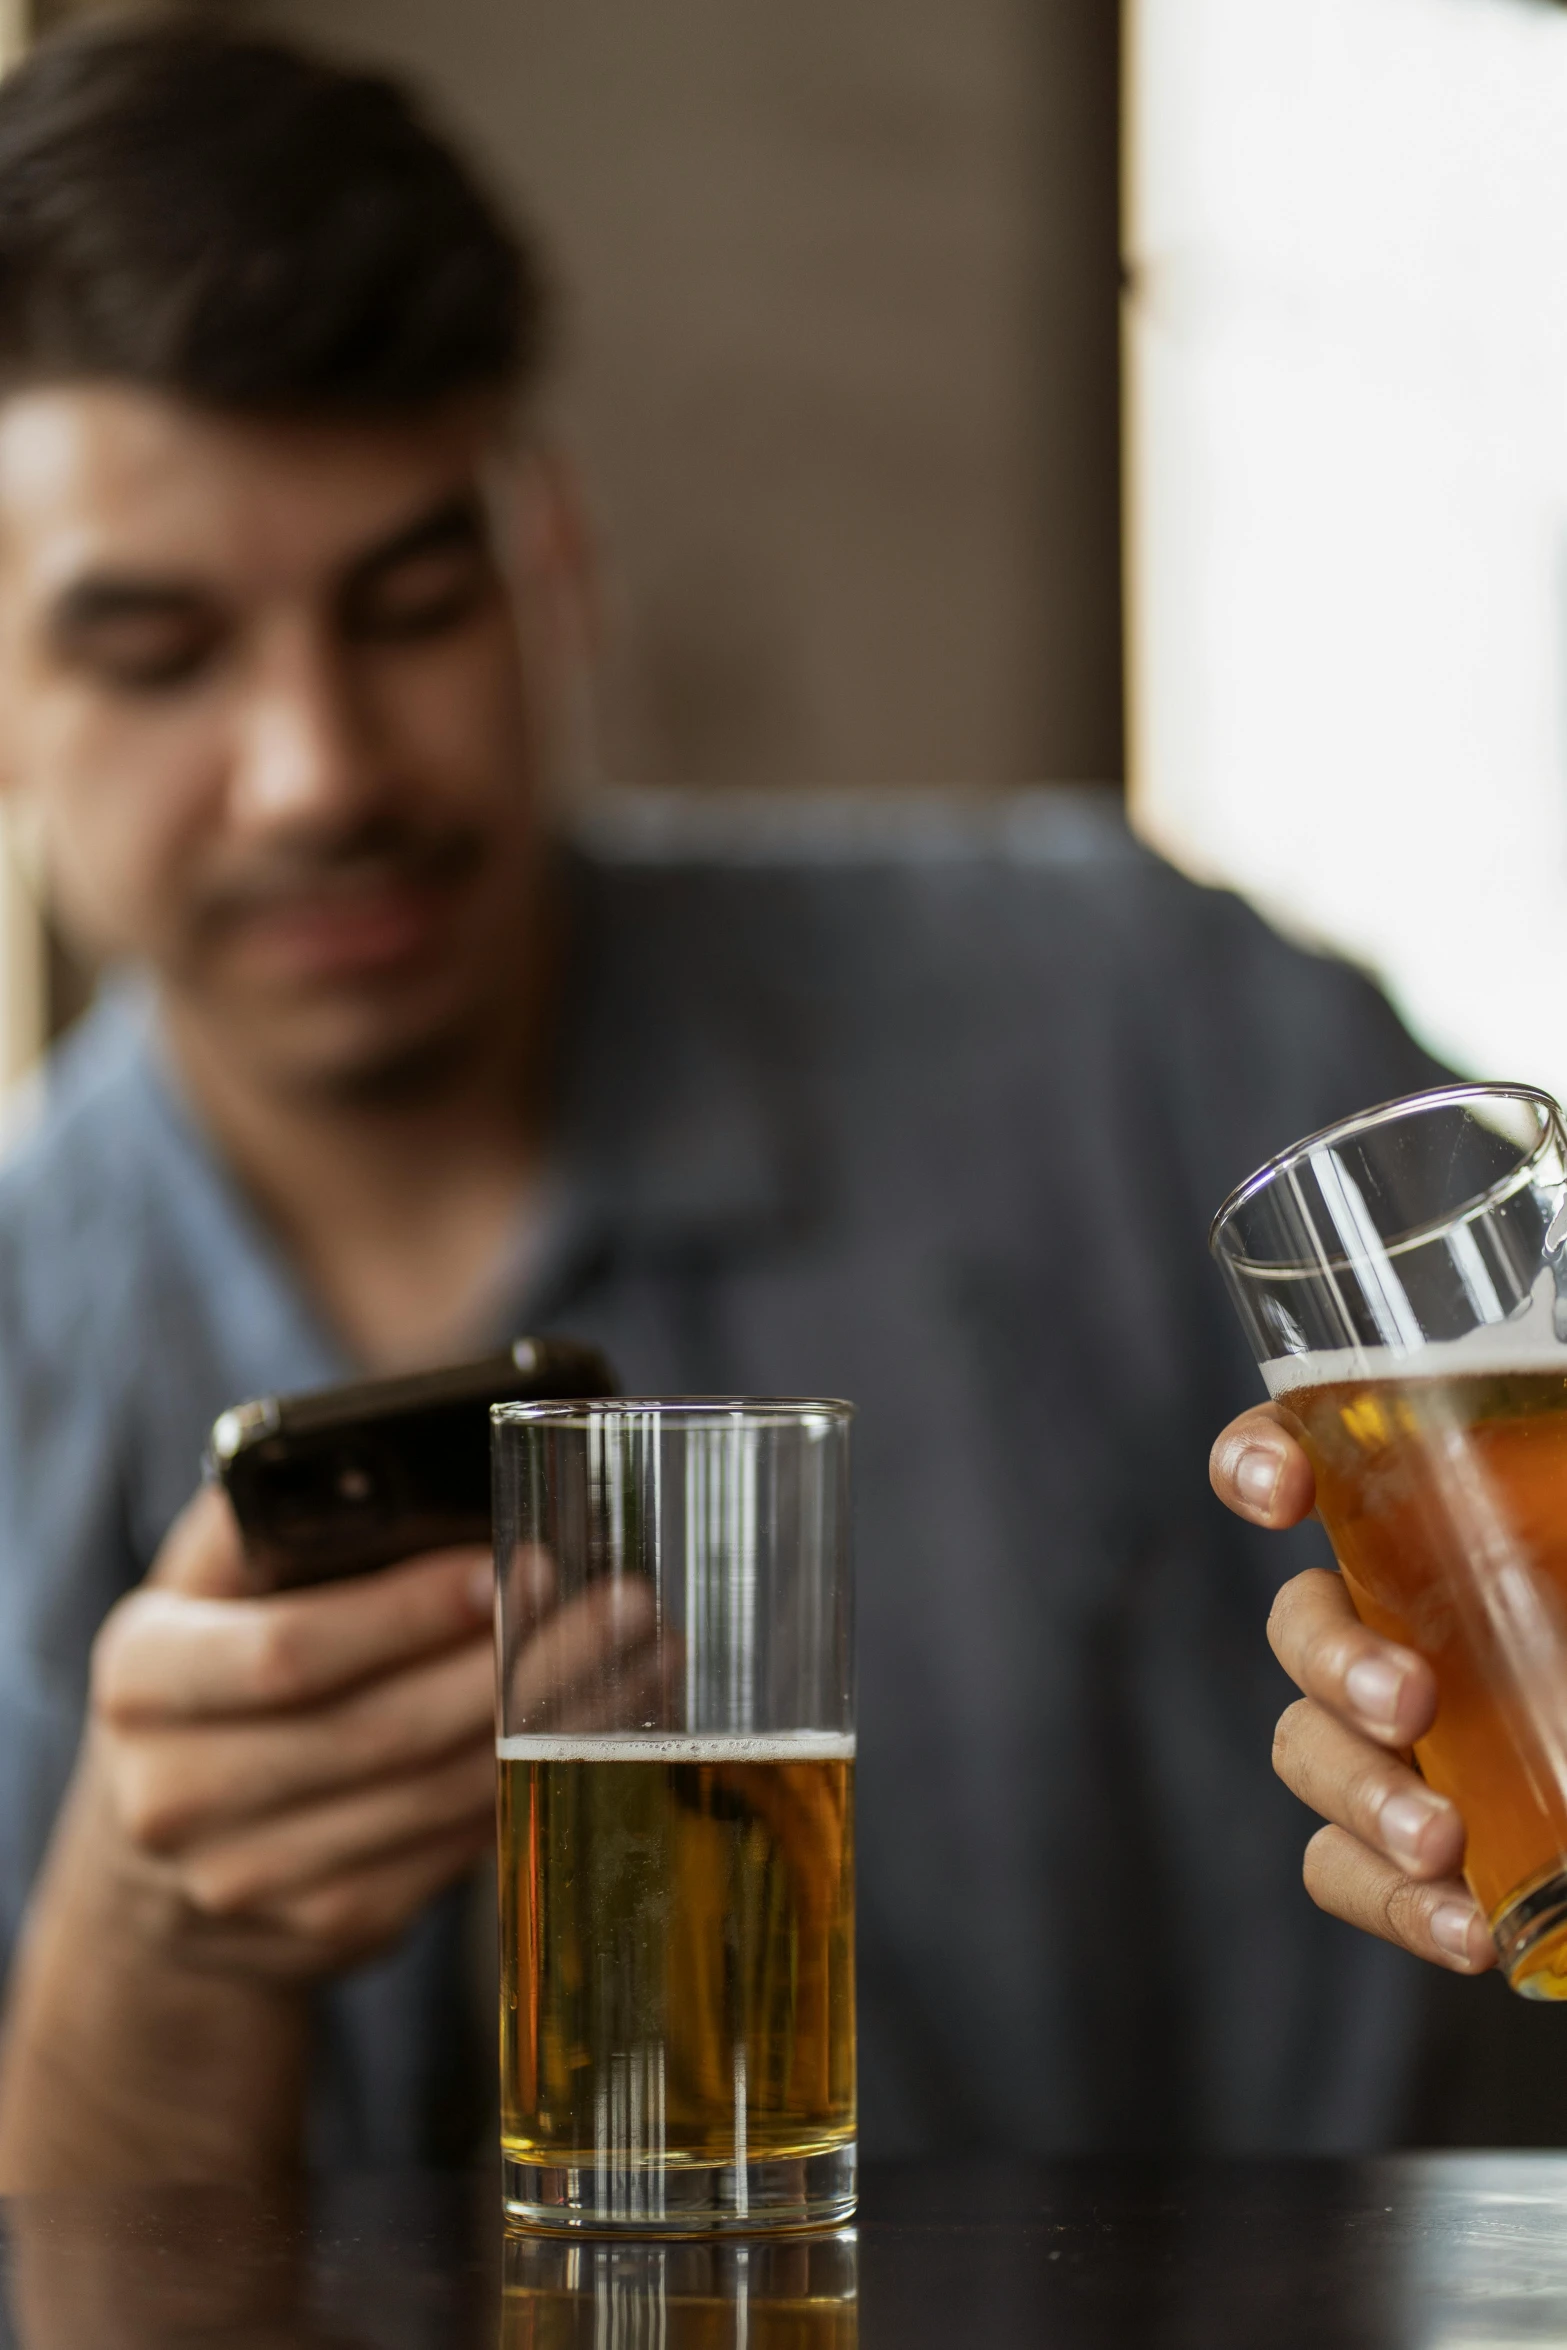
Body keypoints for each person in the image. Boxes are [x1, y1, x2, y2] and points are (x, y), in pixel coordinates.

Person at [0, 21, 1535, 2190]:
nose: (318, 766)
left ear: (559, 568)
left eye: (414, 602)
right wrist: (156, 1948)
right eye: (158, 655)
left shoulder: (1144, 1029)